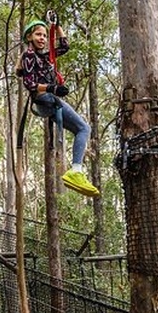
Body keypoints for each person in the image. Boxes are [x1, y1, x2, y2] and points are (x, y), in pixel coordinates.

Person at [17, 13, 100, 198]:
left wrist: (57, 24)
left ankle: (76, 171)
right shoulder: (29, 55)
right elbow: (29, 84)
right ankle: (75, 171)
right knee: (84, 128)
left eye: (45, 36)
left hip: (47, 101)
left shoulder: (44, 56)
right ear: (29, 37)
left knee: (82, 129)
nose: (43, 39)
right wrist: (52, 87)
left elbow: (64, 46)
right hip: (44, 98)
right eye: (39, 35)